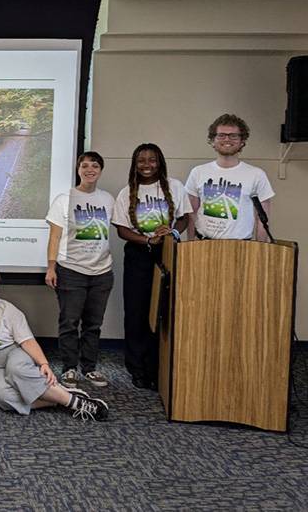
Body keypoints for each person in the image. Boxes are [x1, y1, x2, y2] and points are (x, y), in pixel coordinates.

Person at [0, 264, 108, 421]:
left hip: (12, 352)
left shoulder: (7, 309)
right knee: (3, 397)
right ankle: (58, 397)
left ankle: (77, 403)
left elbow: (27, 341)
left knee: (16, 370)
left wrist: (44, 364)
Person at [112, 144, 190, 390]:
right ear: (135, 164)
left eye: (152, 160)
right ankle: (138, 369)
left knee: (163, 313)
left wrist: (173, 232)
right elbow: (122, 230)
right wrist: (147, 239)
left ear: (160, 162)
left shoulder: (175, 187)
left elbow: (185, 216)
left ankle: (159, 367)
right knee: (137, 313)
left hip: (166, 253)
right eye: (141, 161)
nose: (147, 165)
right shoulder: (127, 192)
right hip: (138, 255)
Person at [45, 151, 115, 390]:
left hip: (102, 272)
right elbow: (54, 237)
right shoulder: (64, 199)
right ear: (78, 170)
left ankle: (90, 368)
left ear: (101, 170)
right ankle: (69, 369)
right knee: (69, 322)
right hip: (71, 271)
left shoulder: (108, 199)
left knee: (93, 324)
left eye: (95, 165)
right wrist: (51, 267)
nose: (89, 169)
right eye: (84, 165)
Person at [185, 114, 274, 242]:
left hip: (241, 247)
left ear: (242, 141)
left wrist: (260, 251)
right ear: (212, 140)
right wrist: (190, 245)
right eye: (221, 135)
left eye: (233, 136)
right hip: (203, 245)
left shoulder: (257, 175)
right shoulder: (198, 172)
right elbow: (191, 213)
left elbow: (262, 219)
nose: (227, 139)